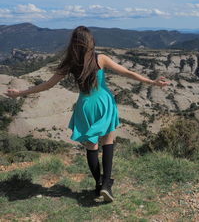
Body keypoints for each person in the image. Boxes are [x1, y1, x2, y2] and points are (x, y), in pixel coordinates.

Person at [4, 25, 170, 202]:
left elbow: (47, 85)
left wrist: (20, 93)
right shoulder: (100, 59)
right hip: (103, 102)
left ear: (74, 44)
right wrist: (152, 82)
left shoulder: (69, 63)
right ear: (90, 42)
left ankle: (98, 185)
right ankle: (107, 184)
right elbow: (127, 72)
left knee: (91, 146)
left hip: (84, 106)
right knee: (108, 142)